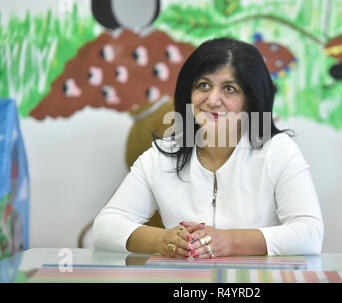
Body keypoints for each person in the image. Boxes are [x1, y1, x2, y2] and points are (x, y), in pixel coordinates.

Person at [93, 37, 324, 258]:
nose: (213, 100)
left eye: (229, 88)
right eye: (203, 85)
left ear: (251, 99)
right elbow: (105, 227)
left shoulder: (278, 151)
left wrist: (229, 241)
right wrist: (164, 240)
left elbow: (310, 234)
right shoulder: (163, 155)